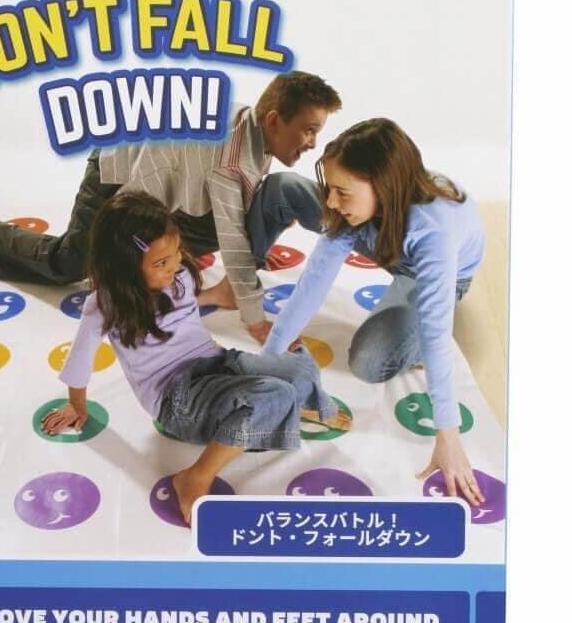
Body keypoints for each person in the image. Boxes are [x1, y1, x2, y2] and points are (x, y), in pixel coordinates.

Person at [41, 191, 351, 525]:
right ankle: (196, 475)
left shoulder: (181, 275)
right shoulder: (107, 305)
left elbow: (180, 307)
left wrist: (214, 297)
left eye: (176, 253)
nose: (174, 265)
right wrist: (77, 404)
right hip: (176, 398)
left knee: (300, 364)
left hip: (216, 361)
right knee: (277, 395)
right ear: (125, 268)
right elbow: (81, 357)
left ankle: (297, 407)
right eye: (161, 263)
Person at [0, 71, 342, 345]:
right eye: (309, 130)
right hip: (117, 173)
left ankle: (157, 263)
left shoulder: (253, 129)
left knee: (232, 224)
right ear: (274, 120)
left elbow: (240, 206)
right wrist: (256, 320)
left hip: (167, 182)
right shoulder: (230, 160)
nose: (313, 143)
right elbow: (231, 238)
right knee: (73, 264)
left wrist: (259, 234)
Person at [261, 117, 486, 506]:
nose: (331, 202)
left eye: (342, 192)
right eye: (329, 189)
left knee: (369, 362)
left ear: (382, 186)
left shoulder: (433, 232)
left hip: (435, 272)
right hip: (388, 240)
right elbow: (312, 284)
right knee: (286, 191)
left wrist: (448, 436)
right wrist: (268, 361)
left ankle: (417, 319)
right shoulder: (355, 209)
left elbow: (436, 335)